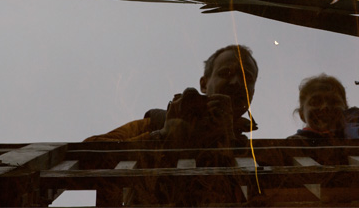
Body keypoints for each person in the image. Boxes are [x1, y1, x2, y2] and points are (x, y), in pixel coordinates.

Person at [87, 45, 258, 146]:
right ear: (204, 84)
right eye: (226, 73)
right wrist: (163, 135)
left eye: (247, 77)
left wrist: (228, 140)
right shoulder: (156, 123)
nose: (237, 82)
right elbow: (88, 150)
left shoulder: (254, 151)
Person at [288, 74, 359, 140]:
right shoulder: (293, 143)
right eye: (315, 102)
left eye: (333, 102)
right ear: (302, 115)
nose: (325, 107)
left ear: (345, 111)